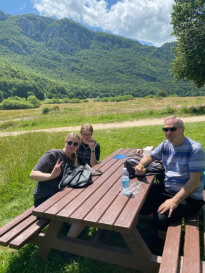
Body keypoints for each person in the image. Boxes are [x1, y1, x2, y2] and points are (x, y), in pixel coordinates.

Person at [135, 116, 205, 233]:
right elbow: (150, 156)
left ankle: (159, 237)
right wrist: (141, 165)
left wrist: (174, 201)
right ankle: (146, 223)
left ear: (183, 129)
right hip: (167, 190)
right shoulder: (166, 144)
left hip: (189, 197)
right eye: (165, 129)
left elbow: (194, 182)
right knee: (140, 202)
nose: (169, 133)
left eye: (173, 129)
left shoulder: (195, 149)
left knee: (160, 218)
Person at [30, 132, 81, 207]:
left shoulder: (72, 158)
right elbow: (32, 174)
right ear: (65, 142)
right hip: (44, 198)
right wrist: (51, 176)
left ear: (78, 146)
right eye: (69, 143)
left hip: (60, 195)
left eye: (75, 144)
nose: (72, 145)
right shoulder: (53, 155)